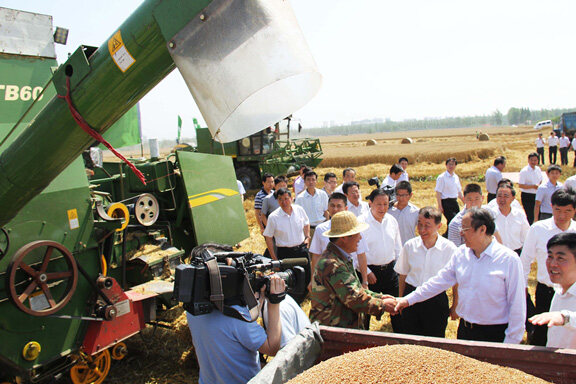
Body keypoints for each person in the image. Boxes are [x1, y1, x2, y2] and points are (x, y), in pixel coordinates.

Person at [395, 208, 526, 344]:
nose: (460, 233)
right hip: (465, 331)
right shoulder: (461, 254)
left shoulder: (508, 260)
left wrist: (510, 344)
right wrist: (407, 300)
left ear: (482, 229)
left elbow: (517, 306)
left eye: (465, 229)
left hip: (494, 334)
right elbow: (439, 282)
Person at [186, 276, 285, 384]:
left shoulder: (193, 311)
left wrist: (256, 301)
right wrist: (274, 303)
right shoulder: (238, 317)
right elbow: (272, 348)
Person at [309, 211, 398, 329]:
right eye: (357, 233)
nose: (360, 237)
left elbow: (356, 289)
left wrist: (379, 297)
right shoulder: (332, 264)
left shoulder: (340, 258)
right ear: (344, 237)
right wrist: (382, 305)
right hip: (333, 332)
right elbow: (354, 298)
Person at [521, 188, 576, 346]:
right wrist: (523, 286)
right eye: (558, 210)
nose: (562, 215)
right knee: (543, 334)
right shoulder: (538, 229)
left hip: (572, 291)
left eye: (568, 211)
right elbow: (525, 260)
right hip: (547, 290)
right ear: (551, 207)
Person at [395, 207, 458, 337]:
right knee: (410, 338)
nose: (422, 229)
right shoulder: (410, 246)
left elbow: (456, 281)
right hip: (411, 297)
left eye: (427, 226)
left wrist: (455, 305)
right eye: (419, 224)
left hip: (436, 300)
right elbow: (403, 276)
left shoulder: (449, 248)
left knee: (434, 339)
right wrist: (402, 299)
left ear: (439, 226)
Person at [358, 189, 403, 331]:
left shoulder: (392, 221)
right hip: (369, 273)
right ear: (370, 203)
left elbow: (398, 248)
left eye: (385, 204)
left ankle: (400, 338)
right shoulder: (360, 222)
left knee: (397, 308)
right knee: (366, 311)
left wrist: (399, 269)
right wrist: (367, 272)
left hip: (390, 271)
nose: (382, 208)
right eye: (379, 204)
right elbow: (355, 252)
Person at [309, 193, 370, 290]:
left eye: (339, 206)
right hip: (327, 275)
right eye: (332, 206)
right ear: (328, 208)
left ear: (346, 208)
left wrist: (365, 281)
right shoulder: (320, 229)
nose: (335, 209)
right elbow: (316, 255)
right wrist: (313, 279)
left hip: (349, 272)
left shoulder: (355, 229)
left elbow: (361, 256)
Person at [529, 233, 576, 349]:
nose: (553, 264)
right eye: (550, 257)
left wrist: (565, 318)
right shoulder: (558, 290)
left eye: (560, 258)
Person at [263, 188, 311, 301]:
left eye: (286, 198)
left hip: (301, 249)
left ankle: (305, 296)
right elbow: (268, 237)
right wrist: (274, 258)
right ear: (277, 201)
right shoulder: (273, 217)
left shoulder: (299, 210)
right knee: (289, 278)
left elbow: (306, 222)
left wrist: (307, 236)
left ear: (291, 198)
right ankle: (293, 300)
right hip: (285, 252)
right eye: (280, 199)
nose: (284, 202)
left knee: (306, 275)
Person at [489, 184, 530, 254]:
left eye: (506, 196)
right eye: (499, 196)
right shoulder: (490, 215)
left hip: (516, 252)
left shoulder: (519, 214)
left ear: (513, 198)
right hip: (497, 253)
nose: (502, 199)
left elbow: (526, 236)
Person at [435, 157, 464, 233]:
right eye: (449, 164)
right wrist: (440, 206)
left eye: (453, 165)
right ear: (446, 165)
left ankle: (448, 236)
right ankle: (447, 235)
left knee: (456, 221)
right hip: (446, 202)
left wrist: (465, 201)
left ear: (455, 166)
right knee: (452, 220)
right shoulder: (441, 177)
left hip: (454, 202)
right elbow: (438, 192)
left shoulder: (456, 177)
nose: (451, 166)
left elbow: (459, 191)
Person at [389, 181, 419, 245]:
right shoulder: (389, 211)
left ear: (410, 195)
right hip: (393, 247)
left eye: (404, 195)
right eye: (398, 195)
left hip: (409, 247)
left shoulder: (416, 212)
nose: (401, 198)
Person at [518, 152, 543, 224]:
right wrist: (532, 186)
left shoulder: (538, 169)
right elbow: (521, 185)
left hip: (537, 195)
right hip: (527, 196)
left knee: (538, 214)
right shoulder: (524, 171)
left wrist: (538, 185)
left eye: (535, 160)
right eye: (531, 160)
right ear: (528, 160)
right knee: (530, 215)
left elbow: (541, 180)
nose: (533, 162)